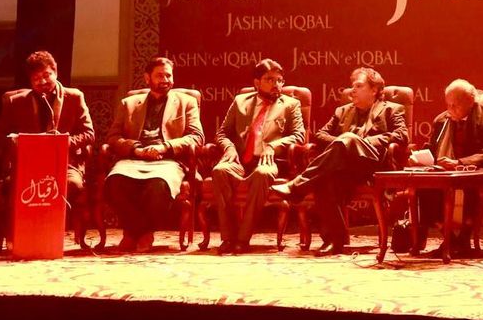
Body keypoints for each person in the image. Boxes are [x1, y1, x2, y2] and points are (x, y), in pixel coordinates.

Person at [272, 67, 408, 255]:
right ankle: (335, 240)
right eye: (352, 86)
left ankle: (297, 187)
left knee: (349, 139)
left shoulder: (391, 109)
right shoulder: (342, 111)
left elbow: (402, 135)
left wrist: (362, 141)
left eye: (358, 86)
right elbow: (320, 135)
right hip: (345, 167)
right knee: (324, 179)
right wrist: (342, 142)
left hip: (372, 165)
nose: (352, 90)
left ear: (374, 90)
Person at [105, 56, 204, 252]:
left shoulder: (187, 102)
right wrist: (136, 149)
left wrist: (165, 147)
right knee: (114, 183)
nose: (165, 80)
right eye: (160, 76)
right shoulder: (129, 103)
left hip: (167, 160)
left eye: (168, 75)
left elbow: (196, 137)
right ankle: (142, 232)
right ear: (147, 78)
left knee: (157, 186)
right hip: (133, 158)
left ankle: (134, 234)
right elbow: (113, 137)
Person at [212, 58, 305, 254]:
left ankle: (242, 238)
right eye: (269, 79)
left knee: (263, 173)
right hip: (240, 159)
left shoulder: (291, 104)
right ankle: (228, 238)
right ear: (257, 82)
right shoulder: (240, 102)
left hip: (268, 160)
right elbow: (222, 133)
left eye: (279, 80)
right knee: (220, 170)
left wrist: (273, 146)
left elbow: (299, 135)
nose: (276, 84)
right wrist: (229, 148)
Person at [0, 51, 96, 230]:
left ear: (55, 72)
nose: (42, 82)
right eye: (36, 78)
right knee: (12, 184)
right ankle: (27, 232)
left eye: (46, 75)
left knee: (72, 184)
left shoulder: (74, 97)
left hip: (65, 164)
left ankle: (51, 231)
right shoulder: (16, 102)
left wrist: (63, 142)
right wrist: (17, 142)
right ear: (30, 80)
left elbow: (89, 133)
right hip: (29, 165)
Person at [411, 79, 483, 254]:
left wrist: (461, 163)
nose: (450, 109)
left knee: (473, 184)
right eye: (448, 104)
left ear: (470, 101)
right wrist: (419, 158)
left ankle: (464, 238)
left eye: (455, 105)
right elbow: (433, 149)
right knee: (423, 186)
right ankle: (449, 237)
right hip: (448, 174)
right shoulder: (442, 120)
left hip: (481, 171)